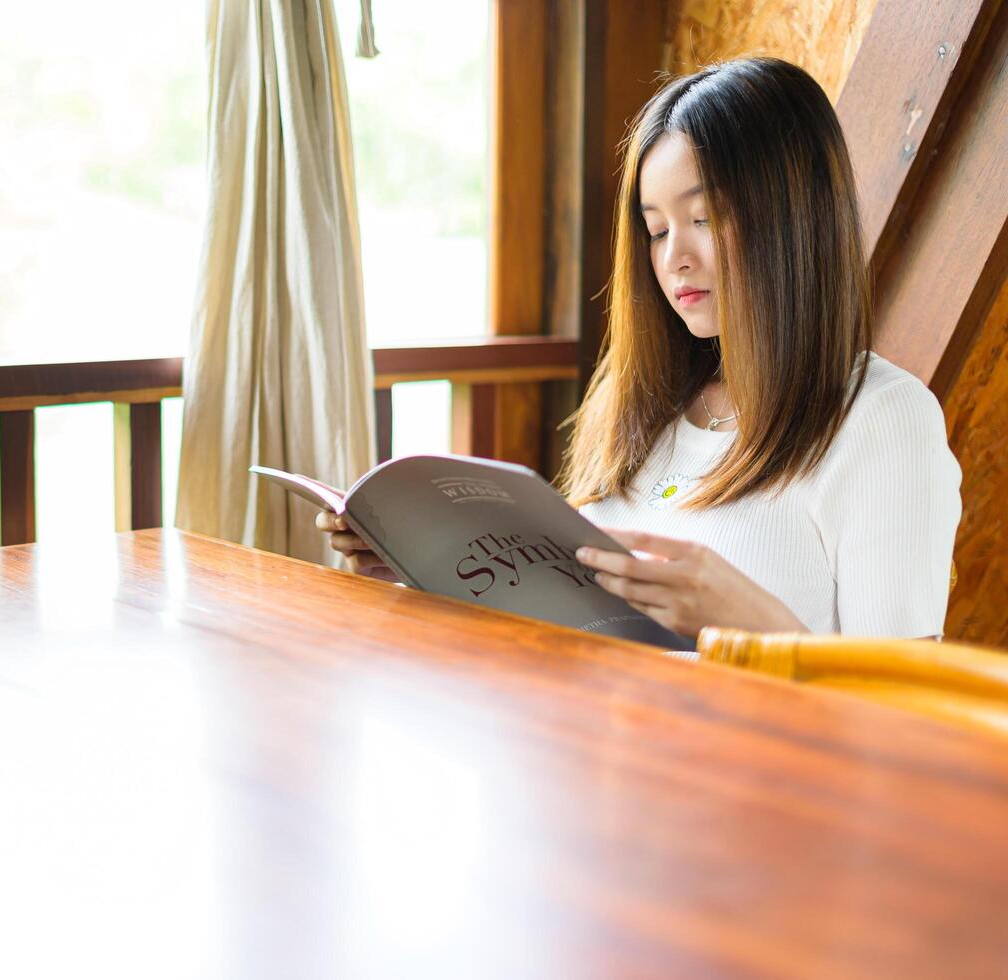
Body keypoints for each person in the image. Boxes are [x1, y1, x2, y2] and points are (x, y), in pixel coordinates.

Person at [317, 57, 961, 640]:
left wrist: (755, 628)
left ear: (795, 218)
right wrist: (422, 566)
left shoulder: (882, 420)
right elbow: (566, 616)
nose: (674, 257)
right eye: (656, 230)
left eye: (703, 219)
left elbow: (909, 722)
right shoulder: (648, 403)